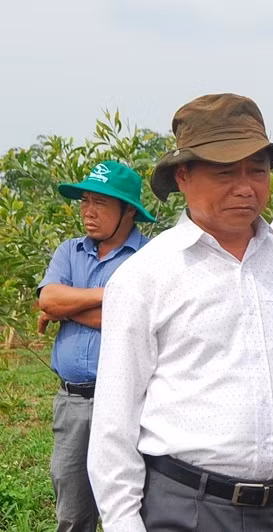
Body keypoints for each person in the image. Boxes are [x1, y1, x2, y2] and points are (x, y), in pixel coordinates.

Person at [86, 93, 273, 532]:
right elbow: (114, 425)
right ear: (183, 177)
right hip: (187, 510)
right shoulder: (145, 276)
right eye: (225, 171)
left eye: (258, 170)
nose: (246, 187)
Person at [37, 160, 156, 532]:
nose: (88, 211)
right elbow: (49, 299)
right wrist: (111, 295)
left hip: (132, 403)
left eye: (100, 203)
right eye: (85, 201)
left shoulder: (150, 259)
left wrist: (68, 309)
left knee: (135, 508)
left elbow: (139, 321)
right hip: (73, 402)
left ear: (128, 211)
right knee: (72, 511)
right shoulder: (69, 252)